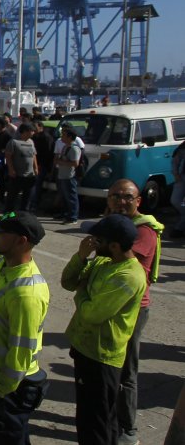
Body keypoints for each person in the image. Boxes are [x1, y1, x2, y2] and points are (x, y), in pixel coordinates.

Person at [62, 214, 146, 445]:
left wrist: (82, 293)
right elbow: (68, 282)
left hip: (101, 357)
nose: (92, 242)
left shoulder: (128, 275)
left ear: (115, 246)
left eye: (97, 240)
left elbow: (92, 313)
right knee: (91, 417)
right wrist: (81, 257)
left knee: (96, 423)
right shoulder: (102, 262)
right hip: (85, 348)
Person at [0, 211, 50, 444]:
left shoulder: (27, 293)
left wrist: (1, 390)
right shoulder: (3, 264)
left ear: (21, 241)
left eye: (0, 232)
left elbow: (21, 351)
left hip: (9, 387)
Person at [105, 180, 164, 444]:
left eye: (127, 197)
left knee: (126, 371)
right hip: (108, 304)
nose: (121, 201)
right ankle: (110, 419)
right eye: (115, 196)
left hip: (132, 309)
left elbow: (123, 266)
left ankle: (128, 430)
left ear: (138, 201)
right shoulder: (115, 225)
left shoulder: (144, 231)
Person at [4, 122, 38, 213]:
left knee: (27, 198)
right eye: (32, 131)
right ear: (26, 131)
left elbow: (34, 156)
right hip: (17, 175)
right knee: (12, 198)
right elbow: (8, 156)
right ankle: (7, 218)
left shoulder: (31, 142)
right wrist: (11, 169)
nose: (33, 133)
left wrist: (36, 169)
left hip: (29, 175)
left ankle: (23, 217)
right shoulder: (13, 142)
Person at [55, 128, 82, 225]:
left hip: (69, 176)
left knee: (71, 197)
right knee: (65, 197)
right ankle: (66, 214)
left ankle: (73, 217)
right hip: (62, 175)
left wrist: (60, 161)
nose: (61, 137)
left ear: (70, 137)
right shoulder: (65, 147)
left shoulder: (74, 148)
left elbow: (75, 163)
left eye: (64, 135)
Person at [27, 120, 55, 212]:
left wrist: (43, 165)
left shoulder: (47, 138)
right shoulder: (34, 137)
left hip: (41, 165)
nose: (33, 129)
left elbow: (48, 154)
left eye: (35, 126)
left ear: (40, 126)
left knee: (36, 185)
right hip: (33, 164)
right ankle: (30, 203)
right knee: (32, 185)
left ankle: (33, 204)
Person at [172, 139, 185, 239]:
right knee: (175, 200)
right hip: (182, 177)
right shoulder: (182, 147)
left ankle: (179, 228)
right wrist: (176, 174)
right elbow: (175, 161)